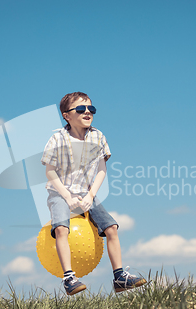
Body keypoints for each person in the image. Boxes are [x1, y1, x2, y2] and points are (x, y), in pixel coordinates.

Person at [41, 92, 146, 295]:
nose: (87, 112)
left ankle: (120, 277)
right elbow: (50, 171)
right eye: (81, 109)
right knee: (62, 229)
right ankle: (69, 278)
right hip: (59, 192)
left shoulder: (98, 136)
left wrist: (90, 196)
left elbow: (101, 170)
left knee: (112, 227)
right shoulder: (57, 138)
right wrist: (67, 197)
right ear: (67, 115)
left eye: (91, 109)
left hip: (86, 193)